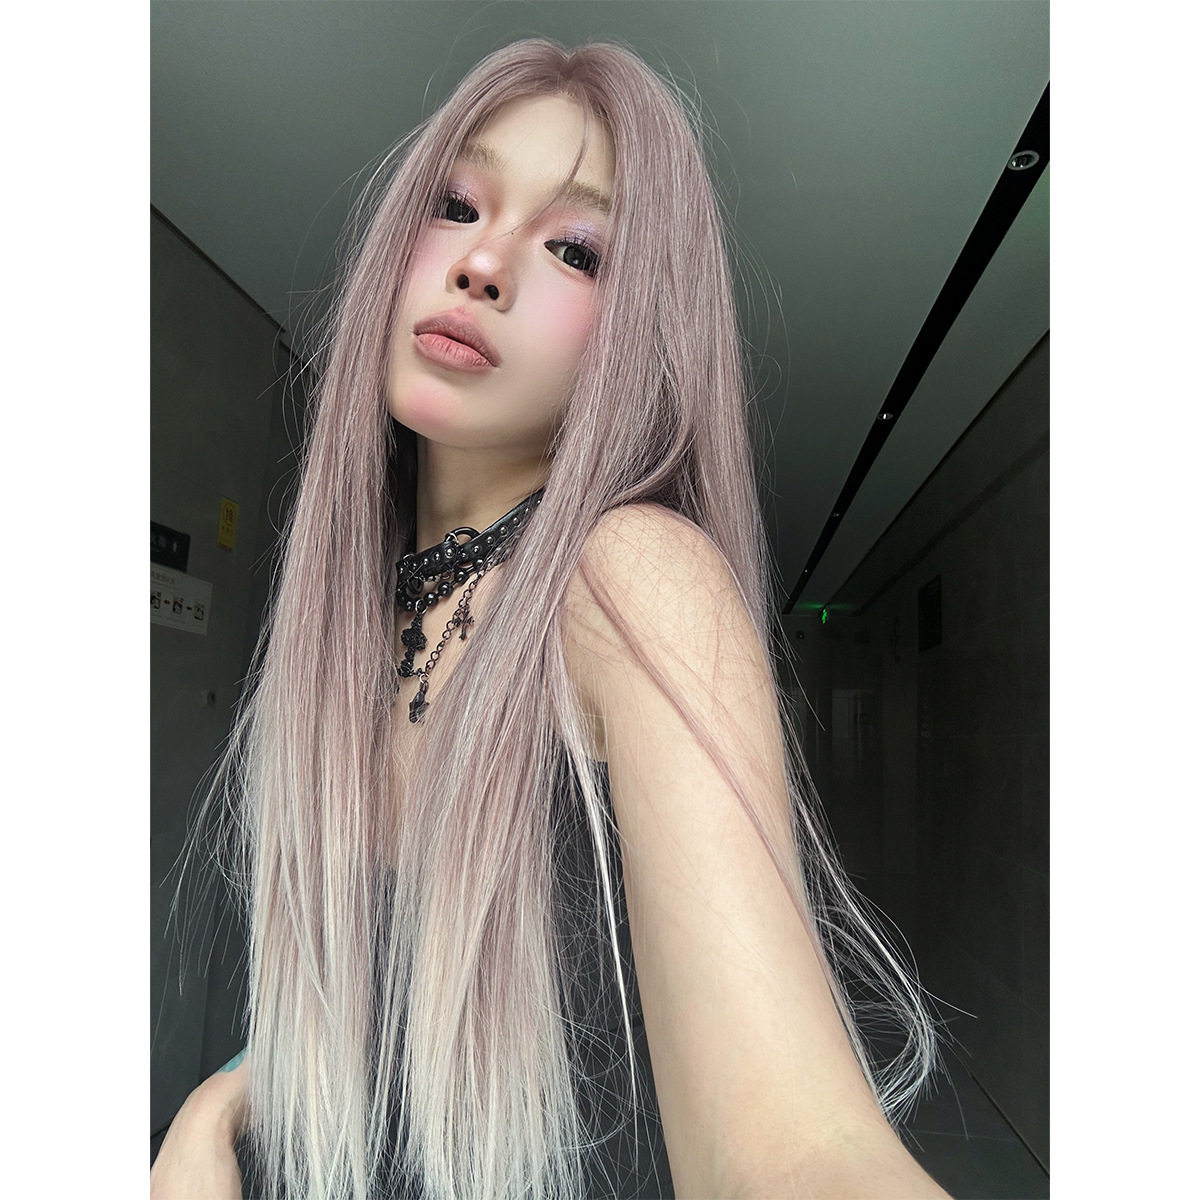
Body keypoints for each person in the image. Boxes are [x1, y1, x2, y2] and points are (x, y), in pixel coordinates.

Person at [151, 39, 951, 1200]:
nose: (483, 264)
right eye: (457, 205)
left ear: (638, 335)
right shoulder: (350, 622)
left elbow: (795, 1149)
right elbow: (370, 1021)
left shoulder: (629, 577)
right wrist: (219, 1103)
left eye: (575, 249)